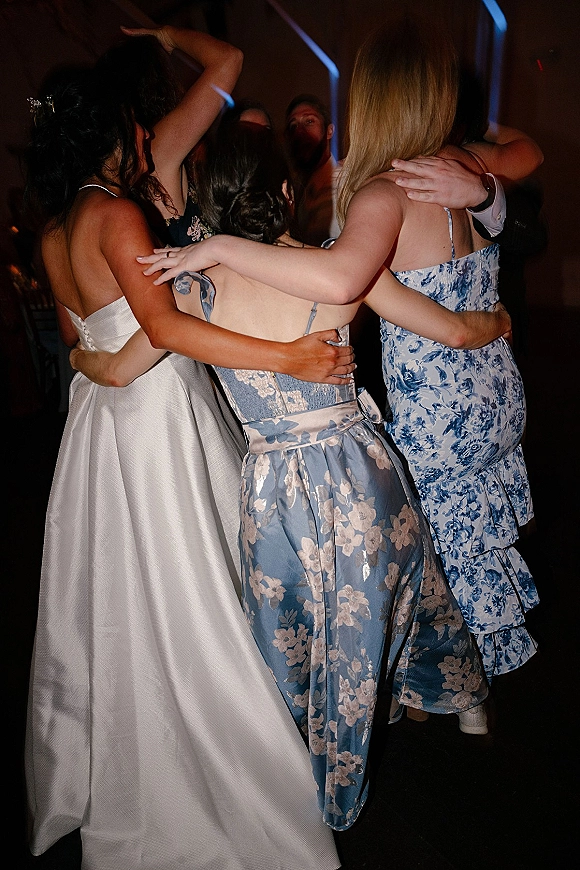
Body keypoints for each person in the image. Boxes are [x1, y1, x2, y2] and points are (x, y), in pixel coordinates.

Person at [73, 122, 526, 829]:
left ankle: (300, 789)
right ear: (286, 193)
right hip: (361, 473)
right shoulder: (339, 272)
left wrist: (82, 358)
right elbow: (457, 331)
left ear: (209, 211)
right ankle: (465, 705)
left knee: (289, 635)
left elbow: (121, 365)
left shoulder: (194, 293)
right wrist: (495, 322)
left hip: (275, 494)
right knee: (410, 588)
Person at [142, 13, 543, 702]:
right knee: (467, 546)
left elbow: (343, 282)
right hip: (497, 395)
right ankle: (462, 692)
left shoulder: (384, 194)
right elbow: (527, 151)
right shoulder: (465, 167)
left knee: (431, 556)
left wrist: (218, 249)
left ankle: (448, 688)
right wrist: (486, 194)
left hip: (436, 408)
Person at [23, 67, 356, 869]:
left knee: (120, 594)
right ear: (115, 134)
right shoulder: (115, 214)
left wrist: (100, 370)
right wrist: (288, 356)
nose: (147, 137)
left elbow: (82, 343)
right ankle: (215, 767)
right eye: (138, 127)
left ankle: (121, 760)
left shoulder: (53, 228)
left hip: (98, 428)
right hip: (157, 420)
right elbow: (167, 329)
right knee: (188, 586)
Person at [284, 93, 341, 246]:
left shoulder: (346, 183)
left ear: (329, 131)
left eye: (309, 121)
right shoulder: (296, 188)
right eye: (293, 125)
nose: (299, 131)